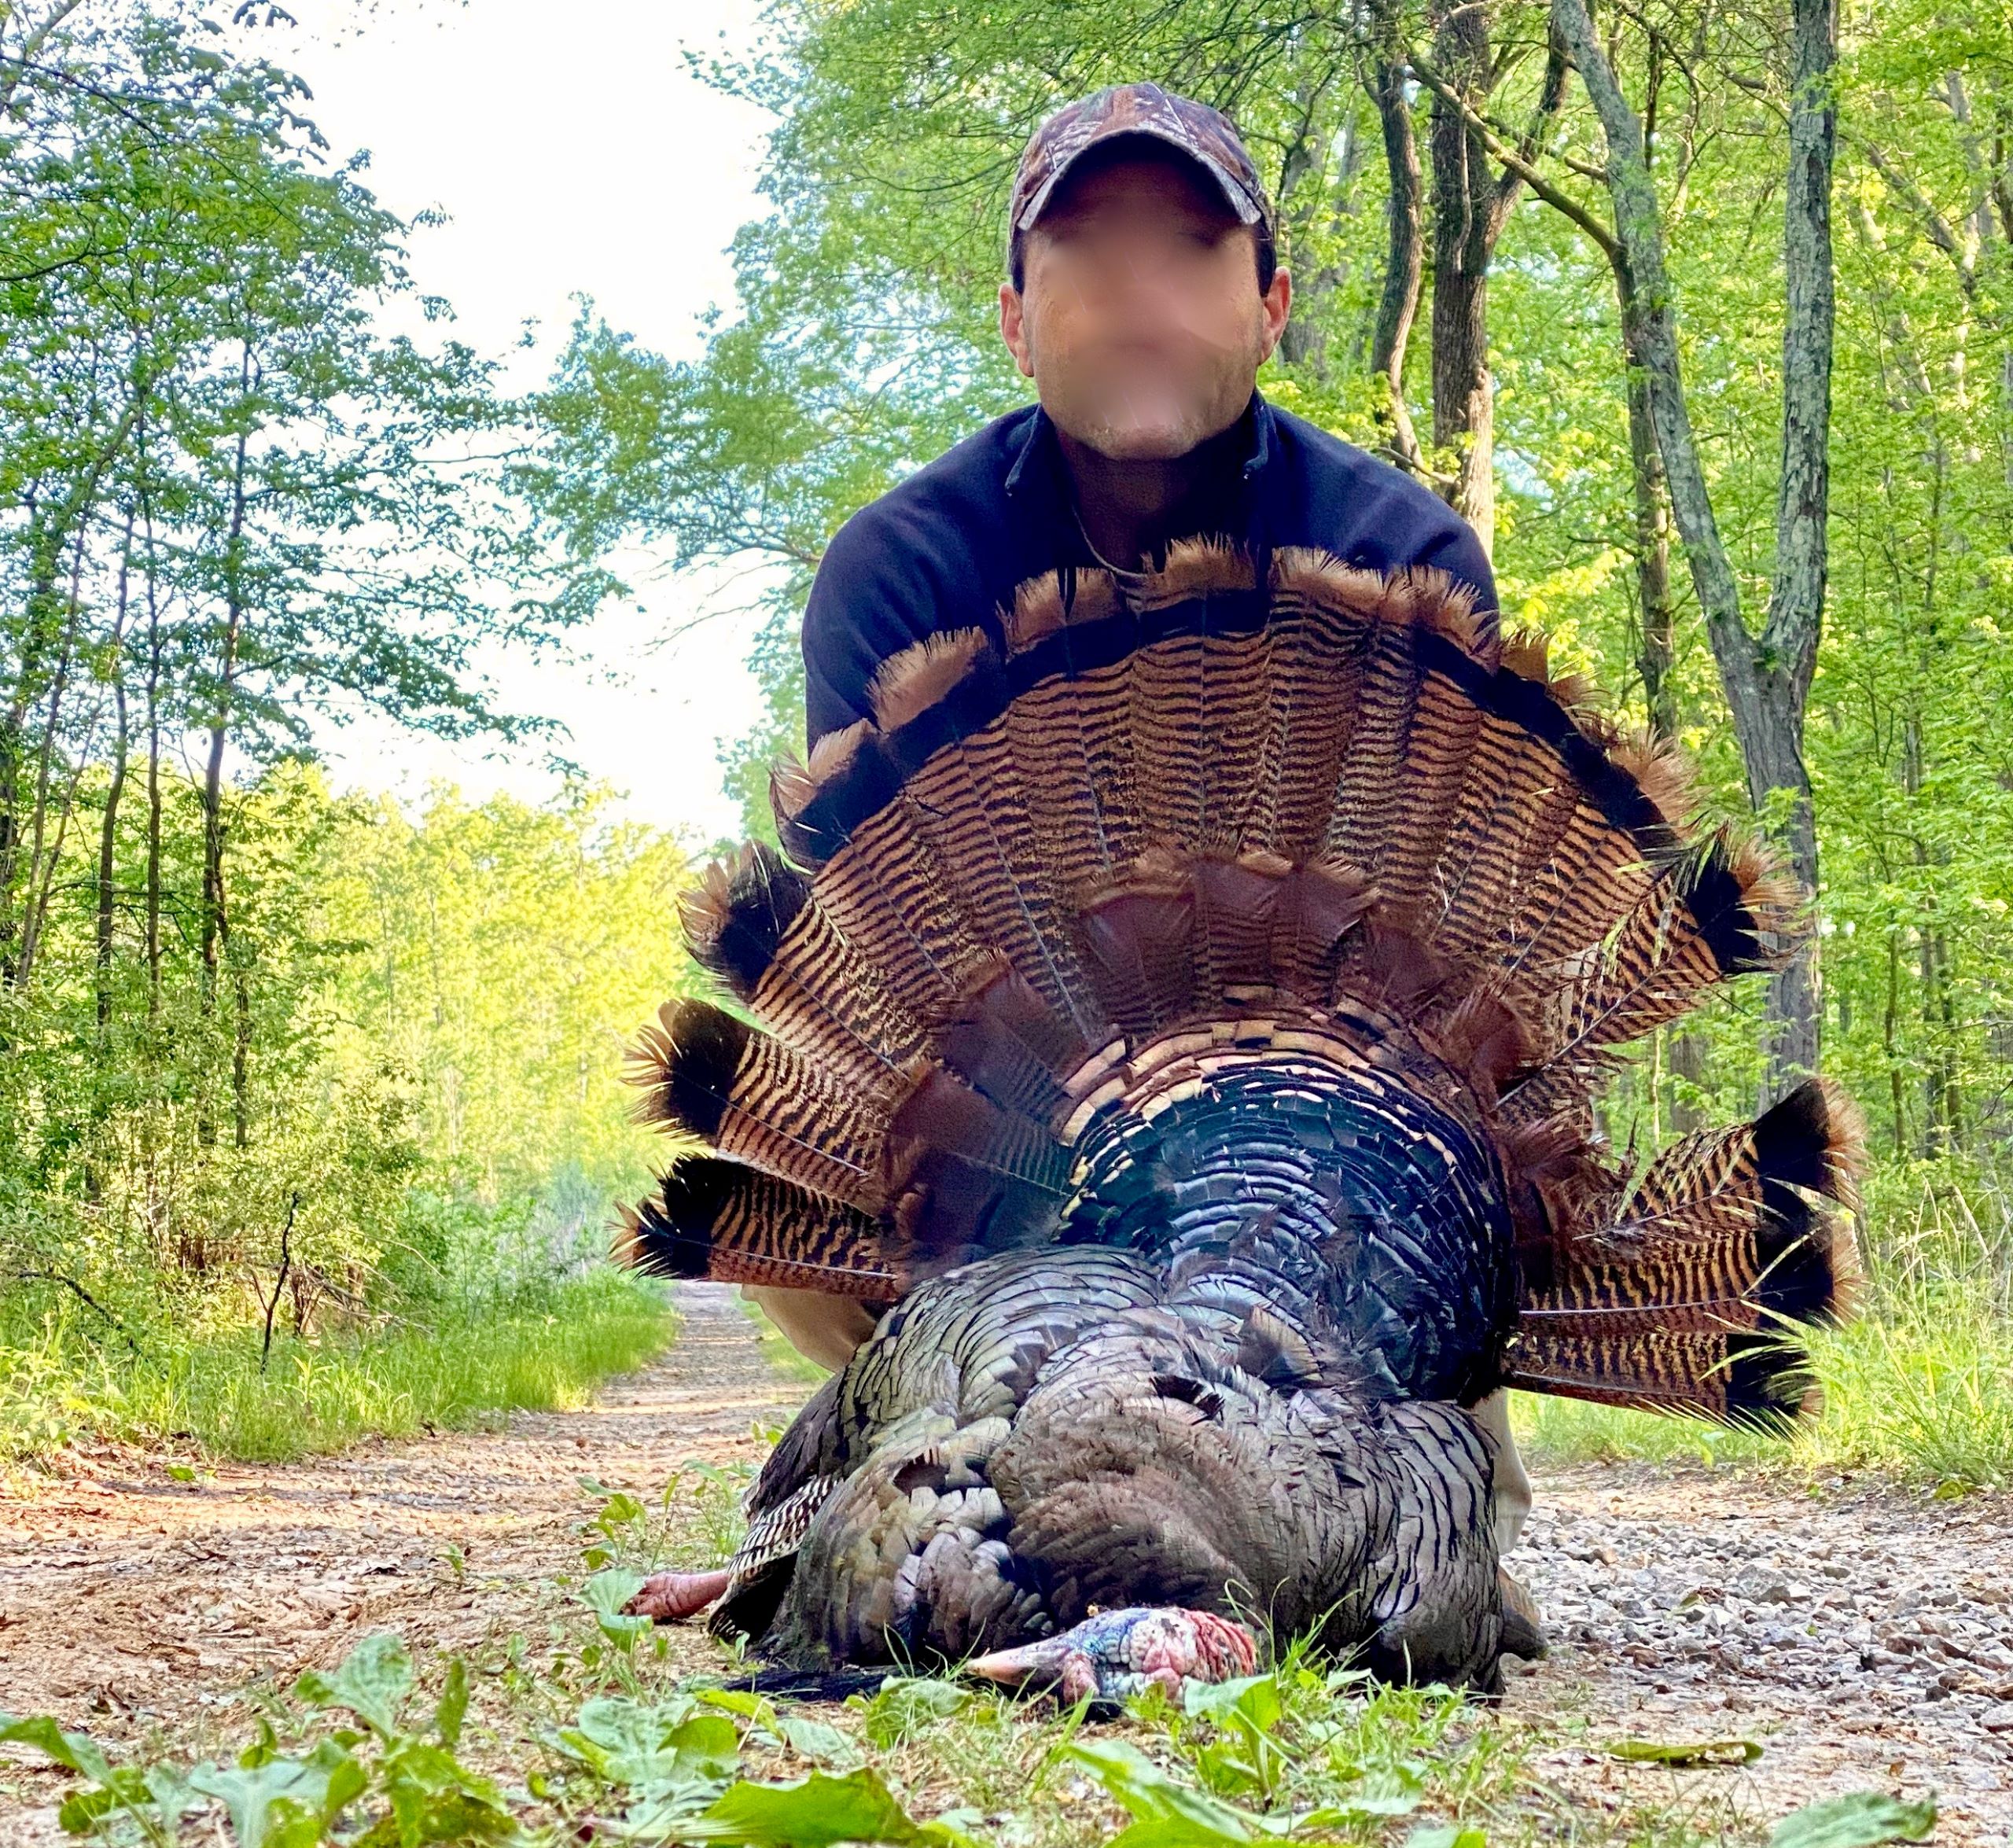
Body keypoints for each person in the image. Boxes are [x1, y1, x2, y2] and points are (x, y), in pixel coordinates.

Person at [778, 80, 1534, 1571]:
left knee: (1392, 1586)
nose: (1141, 296)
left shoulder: (1401, 553)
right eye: (1091, 254)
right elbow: (892, 980)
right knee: (809, 1157)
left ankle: (1399, 1478)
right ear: (1015, 321)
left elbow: (1440, 978)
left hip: (1327, 1151)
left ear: (1272, 307)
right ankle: (940, 1429)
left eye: (1190, 249)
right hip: (1027, 1125)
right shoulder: (899, 572)